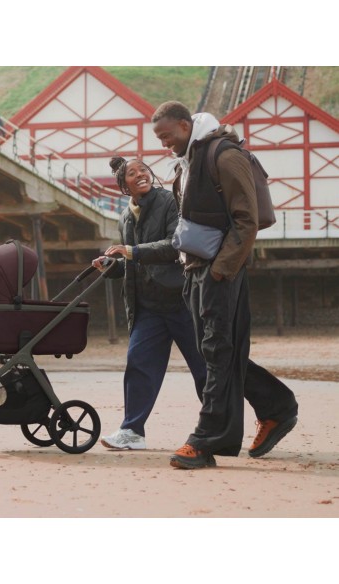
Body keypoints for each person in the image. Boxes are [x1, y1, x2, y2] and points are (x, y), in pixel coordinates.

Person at [152, 101, 299, 469]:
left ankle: (205, 440)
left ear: (185, 125)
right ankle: (276, 407)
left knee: (217, 351)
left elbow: (247, 219)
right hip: (195, 269)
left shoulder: (225, 155)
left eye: (166, 135)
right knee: (216, 353)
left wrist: (220, 271)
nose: (163, 143)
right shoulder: (187, 162)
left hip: (219, 270)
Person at [91, 156, 206, 450]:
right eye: (132, 173)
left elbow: (176, 244)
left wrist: (131, 251)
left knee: (204, 369)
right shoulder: (125, 217)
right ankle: (132, 431)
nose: (141, 174)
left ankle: (218, 427)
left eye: (143, 169)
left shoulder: (169, 201)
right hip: (148, 308)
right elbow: (133, 262)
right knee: (139, 364)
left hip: (181, 301)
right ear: (123, 185)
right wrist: (112, 267)